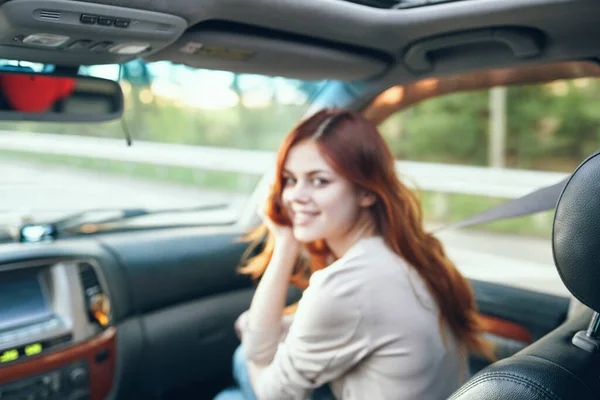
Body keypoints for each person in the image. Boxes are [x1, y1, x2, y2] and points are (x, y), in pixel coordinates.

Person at [215, 109, 495, 400]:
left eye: (319, 181)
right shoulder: (405, 255)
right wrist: (286, 240)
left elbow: (271, 387)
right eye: (289, 180)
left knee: (234, 383)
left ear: (366, 192)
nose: (295, 196)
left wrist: (284, 244)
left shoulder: (349, 284)